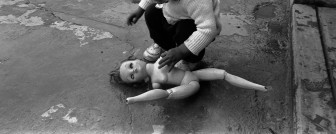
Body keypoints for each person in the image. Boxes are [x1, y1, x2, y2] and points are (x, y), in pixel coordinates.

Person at [110, 57, 268, 103]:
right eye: (132, 75)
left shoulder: (159, 58)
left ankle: (260, 87)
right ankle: (135, 99)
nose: (134, 69)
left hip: (195, 72)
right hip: (189, 84)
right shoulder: (155, 82)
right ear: (139, 81)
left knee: (223, 74)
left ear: (136, 59)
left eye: (131, 65)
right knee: (166, 94)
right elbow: (158, 92)